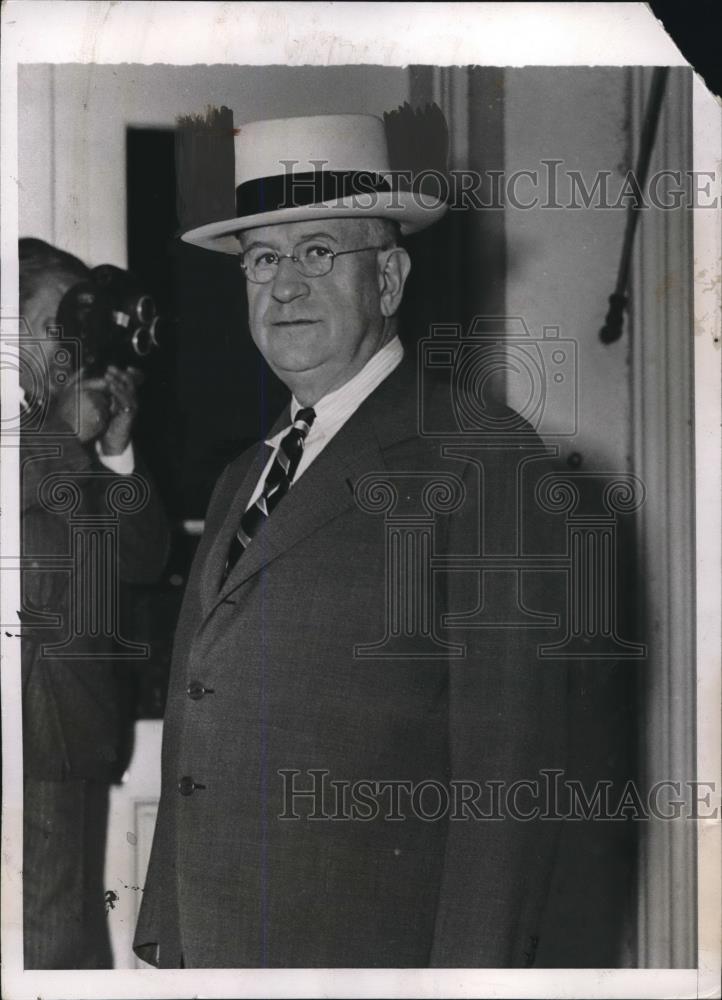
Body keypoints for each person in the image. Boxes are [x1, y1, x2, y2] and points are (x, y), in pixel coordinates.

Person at [134, 113, 617, 968]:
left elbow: (508, 779)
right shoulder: (243, 472)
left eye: (319, 252)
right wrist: (167, 931)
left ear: (389, 278)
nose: (283, 287)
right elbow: (200, 708)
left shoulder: (484, 459)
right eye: (263, 260)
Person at [19, 238, 169, 968]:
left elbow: (145, 563)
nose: (74, 343)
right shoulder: (37, 436)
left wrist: (115, 452)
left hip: (76, 727)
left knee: (72, 939)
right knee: (41, 943)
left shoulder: (67, 436)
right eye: (59, 324)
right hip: (27, 735)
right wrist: (64, 438)